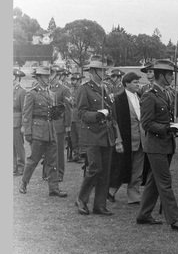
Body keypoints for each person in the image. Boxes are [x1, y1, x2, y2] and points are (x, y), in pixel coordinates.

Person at [135, 59, 178, 231]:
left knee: (153, 181)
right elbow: (147, 124)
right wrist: (167, 128)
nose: (172, 78)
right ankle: (175, 219)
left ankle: (143, 215)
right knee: (165, 182)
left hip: (166, 144)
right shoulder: (149, 95)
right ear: (161, 76)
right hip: (155, 146)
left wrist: (171, 129)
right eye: (169, 75)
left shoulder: (168, 93)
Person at [75, 56, 123, 215]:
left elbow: (113, 114)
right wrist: (97, 114)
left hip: (107, 134)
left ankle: (99, 205)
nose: (105, 72)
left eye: (105, 69)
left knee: (105, 171)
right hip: (92, 134)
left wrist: (117, 137)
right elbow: (81, 113)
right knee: (95, 168)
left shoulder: (107, 88)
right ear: (93, 71)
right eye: (102, 70)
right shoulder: (85, 88)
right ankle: (81, 199)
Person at [19, 65, 69, 197]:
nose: (48, 78)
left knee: (52, 161)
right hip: (38, 131)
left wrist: (58, 112)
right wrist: (28, 133)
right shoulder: (32, 93)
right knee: (33, 159)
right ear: (39, 78)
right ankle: (24, 182)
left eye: (49, 76)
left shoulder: (51, 93)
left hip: (51, 130)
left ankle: (54, 189)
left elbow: (52, 113)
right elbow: (27, 114)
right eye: (45, 76)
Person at [109, 72, 146, 204]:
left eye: (138, 82)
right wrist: (118, 141)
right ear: (127, 84)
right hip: (125, 139)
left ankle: (134, 196)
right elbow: (115, 121)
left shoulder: (141, 97)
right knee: (121, 166)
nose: (138, 85)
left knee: (138, 168)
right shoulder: (119, 99)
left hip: (141, 139)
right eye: (135, 82)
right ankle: (110, 191)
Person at [14, 68, 27, 176]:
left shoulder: (22, 91)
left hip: (17, 122)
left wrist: (23, 125)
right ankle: (14, 166)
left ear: (17, 78)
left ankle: (21, 167)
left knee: (19, 146)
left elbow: (24, 109)